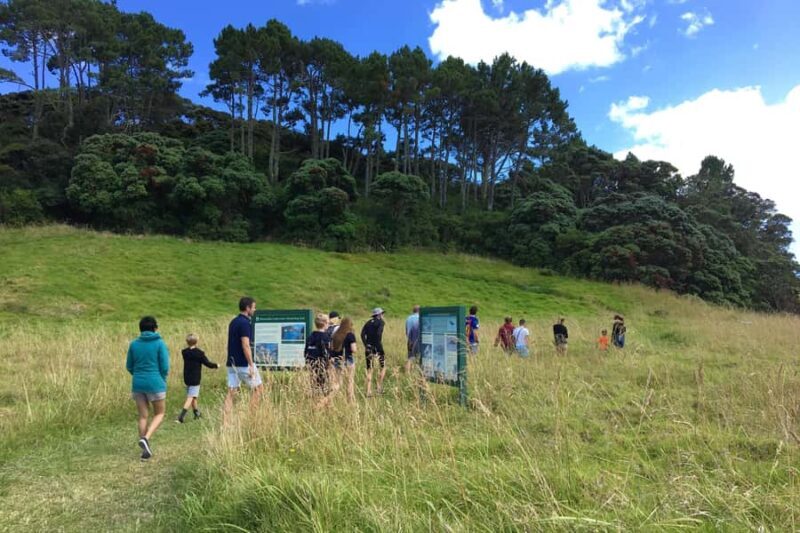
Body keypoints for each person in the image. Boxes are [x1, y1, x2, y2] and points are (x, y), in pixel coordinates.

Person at [126, 316, 169, 461]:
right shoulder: (159, 343)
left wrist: (137, 374)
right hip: (155, 382)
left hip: (137, 383)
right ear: (155, 328)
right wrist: (162, 379)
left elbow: (129, 366)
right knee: (160, 413)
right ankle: (146, 438)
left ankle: (145, 450)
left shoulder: (134, 344)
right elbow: (164, 366)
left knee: (143, 416)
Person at [224, 296, 263, 415]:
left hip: (231, 363)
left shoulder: (233, 322)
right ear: (248, 308)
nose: (254, 310)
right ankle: (251, 417)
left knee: (231, 393)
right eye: (254, 308)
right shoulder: (245, 323)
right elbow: (245, 345)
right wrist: (251, 364)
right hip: (243, 363)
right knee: (258, 389)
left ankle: (225, 423)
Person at [176, 333, 219, 423]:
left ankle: (196, 413)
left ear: (187, 342)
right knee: (191, 396)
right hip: (195, 378)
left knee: (193, 396)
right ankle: (181, 416)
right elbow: (207, 363)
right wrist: (216, 365)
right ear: (197, 341)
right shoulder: (199, 353)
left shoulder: (184, 352)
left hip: (187, 377)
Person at [305, 313, 332, 404]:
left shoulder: (310, 337)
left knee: (314, 388)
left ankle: (314, 404)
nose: (329, 324)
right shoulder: (325, 337)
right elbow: (327, 354)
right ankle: (320, 407)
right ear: (324, 323)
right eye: (328, 322)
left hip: (312, 366)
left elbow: (305, 353)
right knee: (325, 390)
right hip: (322, 367)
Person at [330, 317, 358, 401]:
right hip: (348, 360)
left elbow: (331, 347)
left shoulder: (335, 334)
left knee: (338, 382)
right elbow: (354, 349)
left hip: (336, 360)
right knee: (350, 381)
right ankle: (350, 400)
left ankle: (330, 396)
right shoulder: (350, 335)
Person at [361, 308, 387, 396]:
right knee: (383, 367)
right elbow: (379, 334)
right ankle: (379, 387)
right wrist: (377, 344)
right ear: (379, 315)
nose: (383, 315)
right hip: (378, 347)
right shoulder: (381, 322)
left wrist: (366, 344)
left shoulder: (368, 323)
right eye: (382, 314)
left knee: (369, 369)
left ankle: (368, 392)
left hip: (368, 348)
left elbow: (362, 334)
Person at [404, 305, 421, 373]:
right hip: (418, 341)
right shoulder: (420, 318)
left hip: (410, 341)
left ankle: (407, 373)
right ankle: (417, 373)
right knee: (419, 358)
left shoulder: (408, 318)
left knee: (410, 357)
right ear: (419, 311)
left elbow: (406, 331)